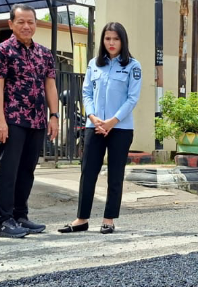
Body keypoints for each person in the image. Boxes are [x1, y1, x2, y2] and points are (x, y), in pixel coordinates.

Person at [59, 22, 142, 234]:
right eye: (107, 39)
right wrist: (93, 118)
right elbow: (86, 93)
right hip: (93, 126)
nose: (111, 43)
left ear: (122, 41)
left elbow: (132, 98)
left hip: (120, 128)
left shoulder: (133, 66)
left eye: (115, 39)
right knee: (88, 172)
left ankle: (109, 219)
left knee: (115, 174)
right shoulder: (94, 65)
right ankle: (82, 219)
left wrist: (112, 121)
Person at [0, 4, 60, 238]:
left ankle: (21, 215)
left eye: (30, 22)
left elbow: (50, 85)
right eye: (21, 22)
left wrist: (54, 115)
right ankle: (4, 220)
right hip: (13, 119)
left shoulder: (44, 53)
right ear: (11, 24)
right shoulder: (1, 51)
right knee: (9, 170)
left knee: (27, 171)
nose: (26, 26)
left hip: (38, 120)